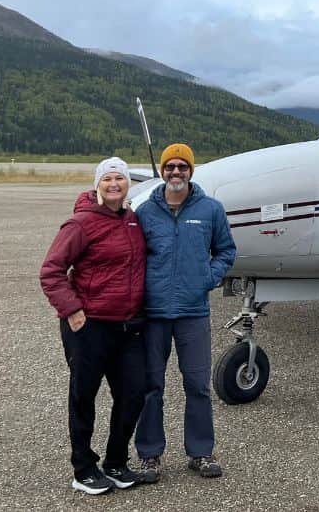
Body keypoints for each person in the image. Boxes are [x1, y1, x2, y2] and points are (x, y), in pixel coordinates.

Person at [40, 157, 147, 495]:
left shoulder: (133, 220)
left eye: (120, 178)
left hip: (127, 326)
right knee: (84, 396)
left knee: (134, 393)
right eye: (107, 179)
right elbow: (51, 271)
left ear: (128, 184)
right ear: (98, 184)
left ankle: (115, 462)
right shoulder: (81, 223)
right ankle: (83, 468)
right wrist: (71, 310)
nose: (114, 184)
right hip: (89, 326)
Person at [133, 143, 236, 482]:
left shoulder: (210, 210)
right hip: (154, 313)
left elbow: (226, 250)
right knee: (151, 385)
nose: (175, 172)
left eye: (182, 166)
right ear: (163, 171)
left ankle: (201, 452)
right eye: (170, 166)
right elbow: (134, 257)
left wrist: (207, 278)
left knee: (197, 384)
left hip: (193, 311)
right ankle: (149, 455)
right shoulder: (145, 212)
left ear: (191, 171)